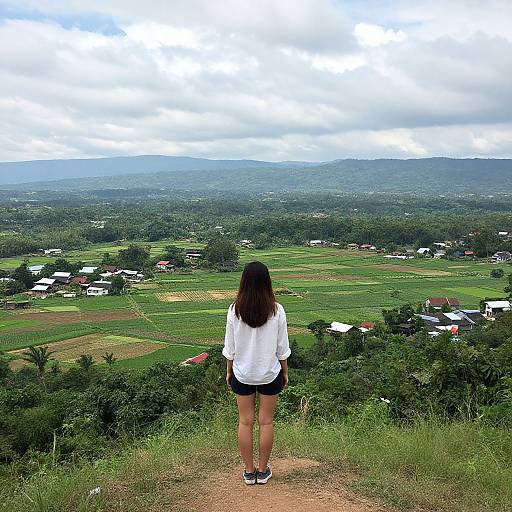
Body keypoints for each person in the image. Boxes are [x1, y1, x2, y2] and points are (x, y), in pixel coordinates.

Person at [223, 261, 291, 485]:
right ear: (267, 282)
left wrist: (229, 371)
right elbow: (282, 348)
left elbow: (230, 348)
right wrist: (285, 372)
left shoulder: (235, 310)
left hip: (242, 374)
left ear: (243, 282)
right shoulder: (276, 310)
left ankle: (249, 472)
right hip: (269, 374)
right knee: (266, 422)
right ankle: (263, 472)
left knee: (245, 422)